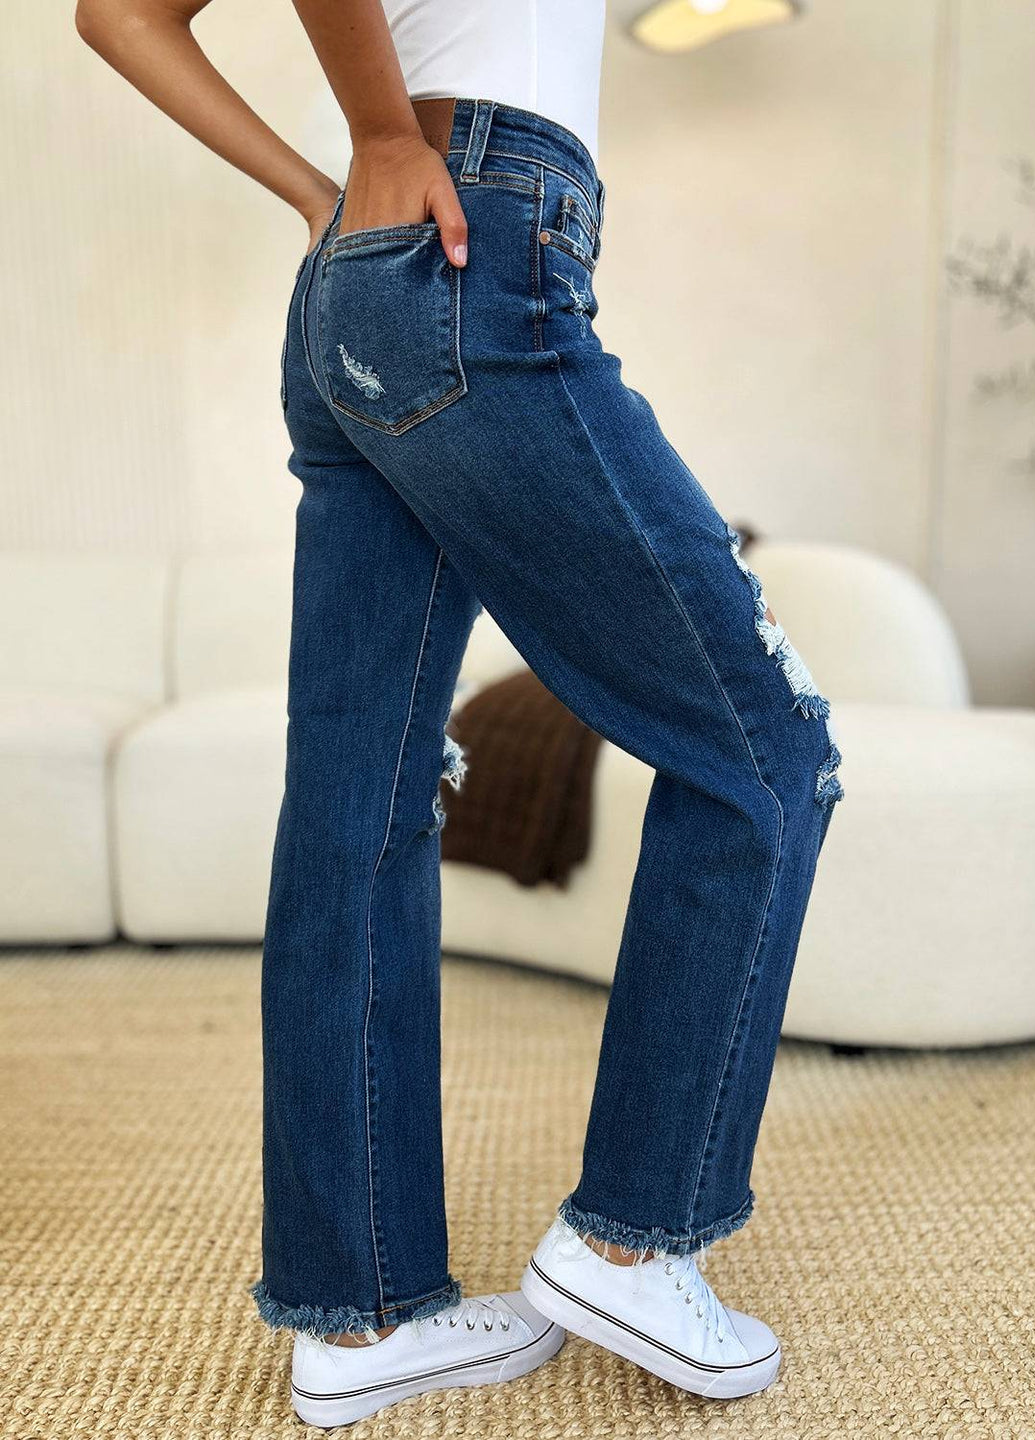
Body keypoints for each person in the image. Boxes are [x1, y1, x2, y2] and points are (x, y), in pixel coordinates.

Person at [76, 0, 843, 1426]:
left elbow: (114, 13)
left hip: (366, 281)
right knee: (769, 751)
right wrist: (370, 134)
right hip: (474, 245)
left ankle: (362, 1313)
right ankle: (633, 1232)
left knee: (360, 802)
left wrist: (331, 189)